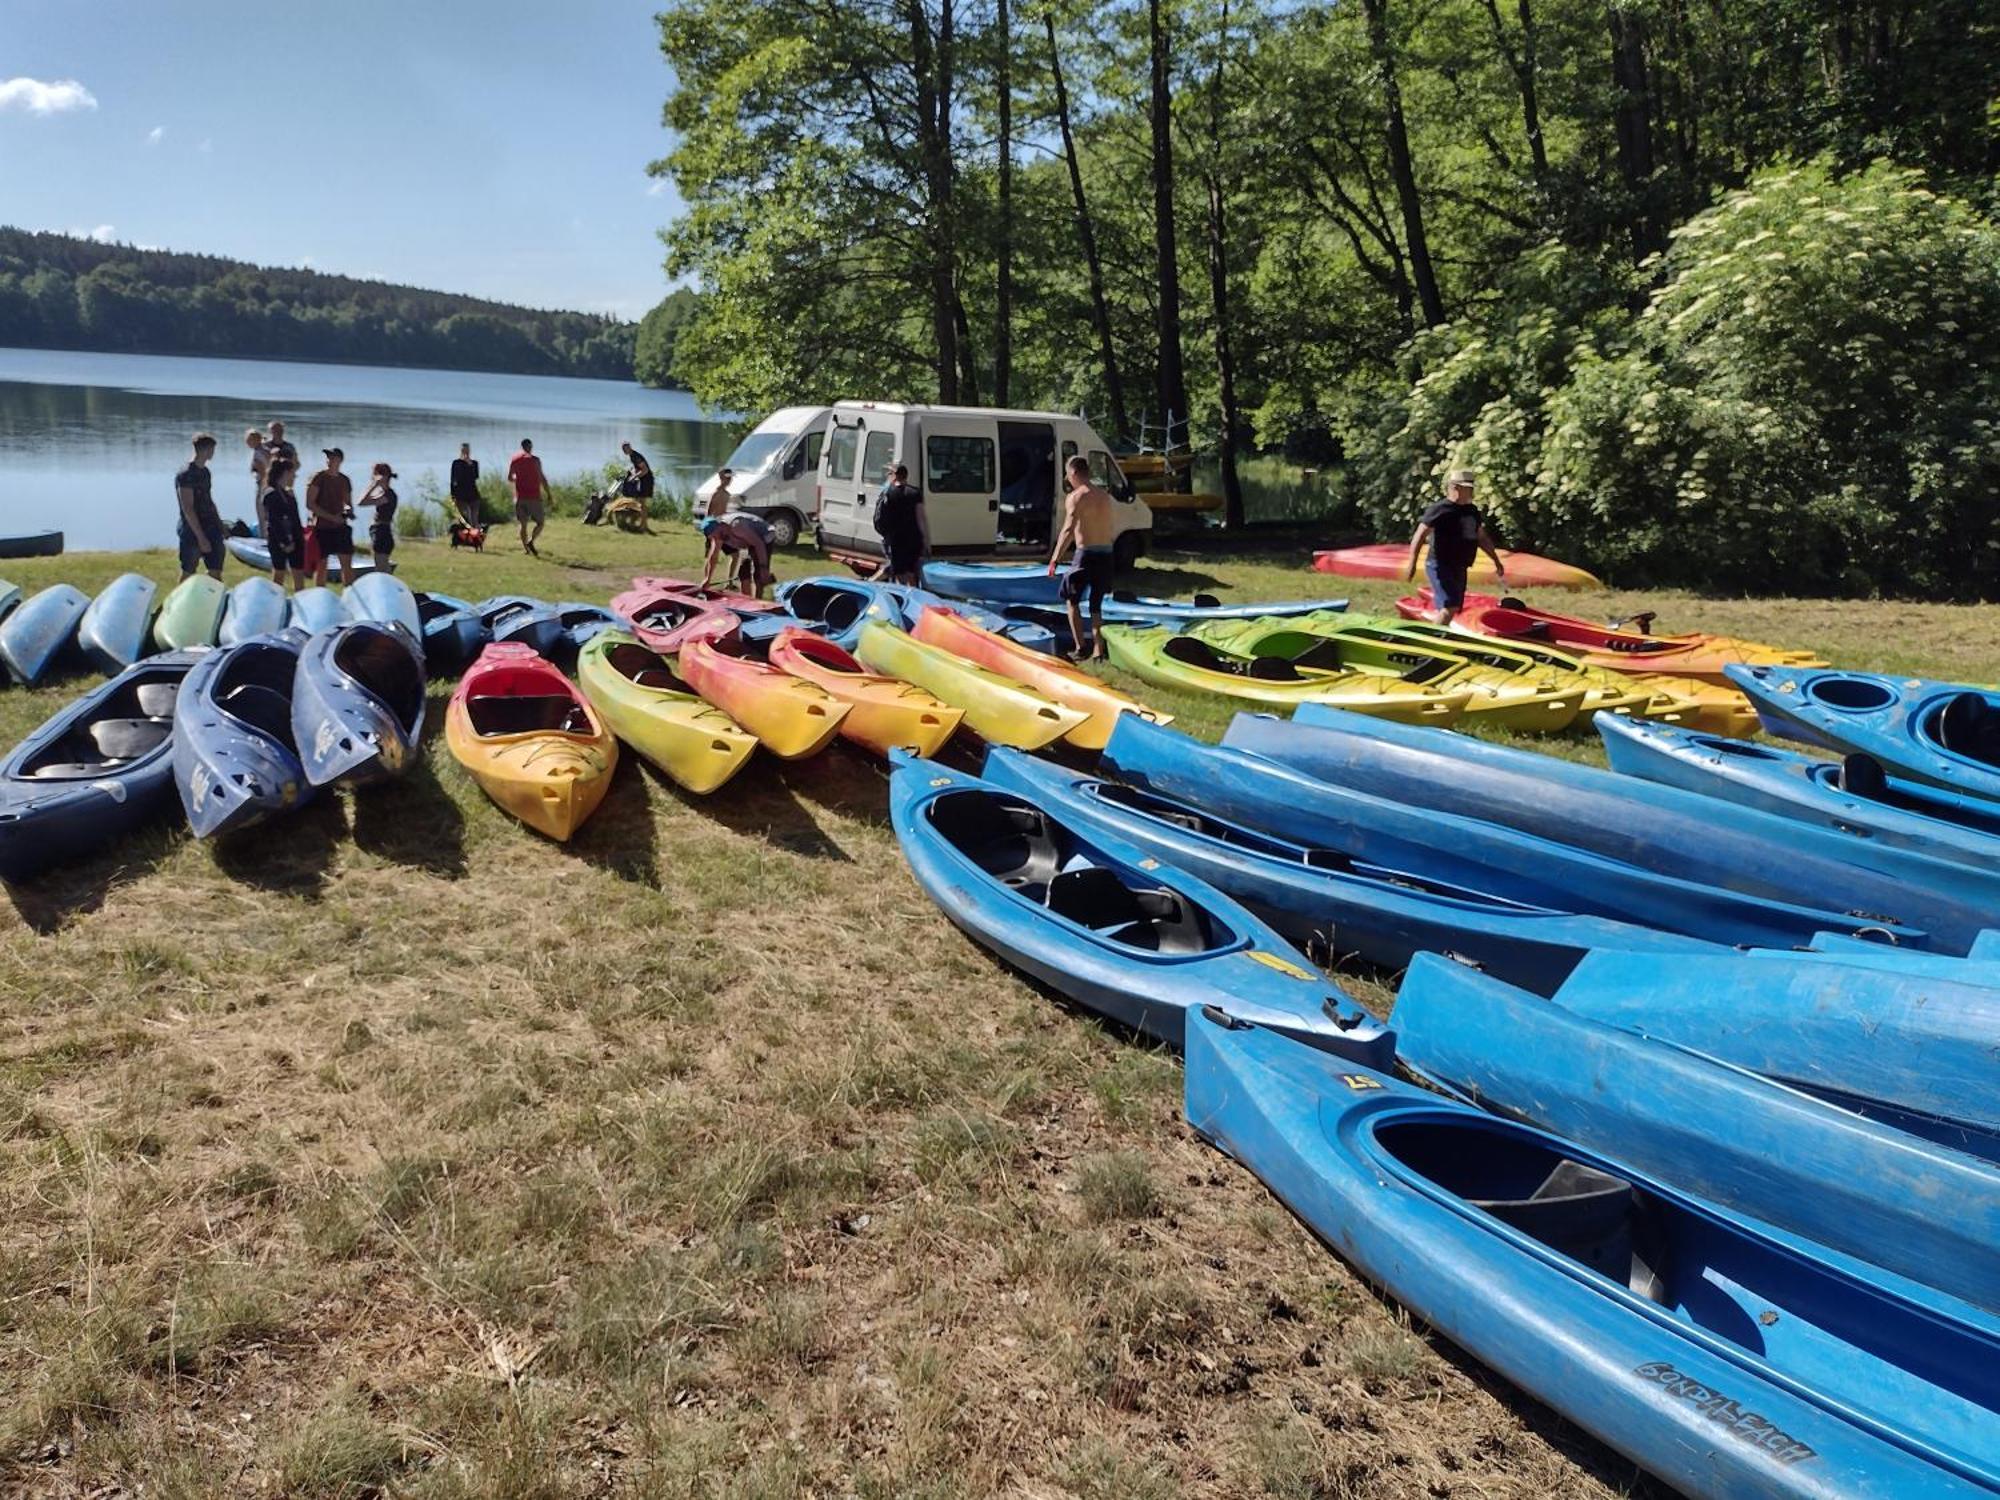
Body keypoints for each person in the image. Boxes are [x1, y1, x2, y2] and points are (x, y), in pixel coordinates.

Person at [1407, 468, 1505, 626]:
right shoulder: (1439, 510)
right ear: (1454, 487)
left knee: (1453, 607)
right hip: (1440, 565)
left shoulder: (1471, 512)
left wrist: (1496, 561)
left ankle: (1439, 629)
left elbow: (1481, 538)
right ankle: (1433, 640)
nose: (1470, 491)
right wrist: (1412, 564)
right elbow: (1420, 535)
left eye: (1471, 488)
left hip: (1460, 565)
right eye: (1467, 488)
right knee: (1450, 606)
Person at [1046, 455, 1116, 661]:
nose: (1068, 480)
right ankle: (1098, 650)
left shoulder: (1076, 497)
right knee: (1096, 603)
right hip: (1106, 553)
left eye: (1068, 475)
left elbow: (1068, 530)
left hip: (1085, 554)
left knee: (1072, 599)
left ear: (1074, 473)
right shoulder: (1104, 496)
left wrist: (1055, 558)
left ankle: (1080, 647)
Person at [175, 432, 226, 581]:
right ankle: (180, 601)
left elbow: (209, 500)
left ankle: (211, 598)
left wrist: (220, 524)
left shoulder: (205, 472)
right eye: (211, 449)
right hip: (192, 529)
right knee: (188, 571)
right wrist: (201, 538)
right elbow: (188, 508)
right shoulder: (185, 474)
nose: (213, 453)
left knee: (216, 569)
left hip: (210, 525)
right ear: (204, 450)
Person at [306, 447, 356, 588]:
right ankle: (319, 595)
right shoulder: (318, 477)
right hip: (322, 527)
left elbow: (347, 502)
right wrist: (331, 517)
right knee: (322, 565)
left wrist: (348, 510)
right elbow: (310, 504)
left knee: (346, 563)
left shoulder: (344, 480)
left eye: (333, 458)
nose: (329, 460)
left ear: (340, 460)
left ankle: (349, 593)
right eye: (328, 457)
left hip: (340, 526)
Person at [873, 462, 928, 585]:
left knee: (898, 572)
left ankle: (899, 595)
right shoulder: (915, 493)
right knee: (910, 572)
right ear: (906, 476)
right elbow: (921, 518)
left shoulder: (888, 493)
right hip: (913, 539)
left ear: (894, 476)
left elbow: (881, 516)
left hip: (894, 539)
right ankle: (912, 597)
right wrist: (925, 539)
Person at [697, 513, 774, 598]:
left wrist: (763, 567)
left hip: (764, 536)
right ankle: (748, 601)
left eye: (719, 533)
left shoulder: (737, 526)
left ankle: (758, 601)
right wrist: (708, 578)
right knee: (743, 572)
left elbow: (759, 543)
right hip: (748, 542)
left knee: (759, 574)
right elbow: (713, 557)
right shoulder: (718, 535)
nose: (719, 537)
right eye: (714, 537)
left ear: (721, 525)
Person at [262, 456, 307, 592]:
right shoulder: (271, 493)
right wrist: (285, 542)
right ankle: (275, 600)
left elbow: (295, 518)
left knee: (298, 573)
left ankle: (300, 601)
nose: (294, 477)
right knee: (279, 573)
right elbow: (274, 520)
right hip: (278, 540)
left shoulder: (288, 494)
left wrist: (300, 538)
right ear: (285, 473)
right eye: (293, 473)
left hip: (295, 538)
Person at [507, 437, 550, 555]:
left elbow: (510, 477)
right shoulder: (535, 460)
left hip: (520, 497)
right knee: (540, 523)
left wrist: (518, 478)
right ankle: (531, 541)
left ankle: (526, 549)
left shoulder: (514, 459)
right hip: (534, 497)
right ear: (530, 447)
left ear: (521, 447)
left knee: (523, 524)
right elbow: (542, 478)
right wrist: (549, 494)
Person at [358, 462, 399, 575]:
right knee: (384, 568)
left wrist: (374, 485)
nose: (372, 477)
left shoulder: (388, 495)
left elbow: (361, 502)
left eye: (374, 475)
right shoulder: (384, 494)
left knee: (380, 570)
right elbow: (363, 500)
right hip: (381, 531)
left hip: (382, 533)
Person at [449, 442, 482, 529]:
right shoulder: (456, 463)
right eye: (463, 451)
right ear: (460, 451)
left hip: (473, 494)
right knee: (467, 519)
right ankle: (469, 537)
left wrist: (469, 465)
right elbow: (453, 480)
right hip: (461, 496)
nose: (465, 453)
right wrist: (453, 495)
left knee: (475, 519)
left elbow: (475, 476)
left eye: (467, 451)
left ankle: (476, 537)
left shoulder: (474, 463)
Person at [244, 429, 270, 531]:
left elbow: (262, 472)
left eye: (249, 441)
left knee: (261, 512)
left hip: (263, 485)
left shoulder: (257, 453)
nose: (247, 443)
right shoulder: (267, 450)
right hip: (271, 484)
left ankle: (264, 537)